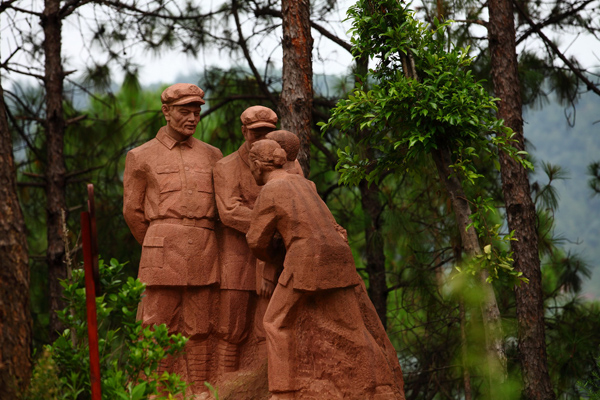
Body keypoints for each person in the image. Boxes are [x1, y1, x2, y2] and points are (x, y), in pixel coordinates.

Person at [246, 140, 404, 400]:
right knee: (354, 328)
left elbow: (256, 241)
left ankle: (283, 392)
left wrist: (275, 256)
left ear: (257, 164)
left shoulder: (271, 190)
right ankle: (382, 387)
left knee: (274, 322)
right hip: (338, 257)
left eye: (250, 166)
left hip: (305, 259)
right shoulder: (305, 185)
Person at [123, 83, 222, 395]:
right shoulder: (141, 156)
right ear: (166, 111)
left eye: (197, 112)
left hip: (204, 248)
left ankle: (198, 388)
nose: (192, 118)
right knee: (156, 324)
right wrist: (158, 240)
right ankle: (156, 389)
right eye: (184, 111)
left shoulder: (212, 155)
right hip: (162, 250)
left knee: (201, 325)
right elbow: (132, 211)